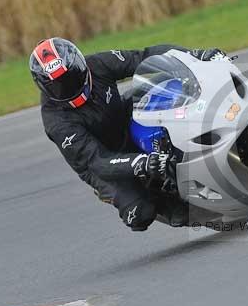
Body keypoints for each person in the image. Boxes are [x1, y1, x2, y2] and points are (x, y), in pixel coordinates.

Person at [30, 37, 226, 231]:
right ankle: (164, 201)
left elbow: (144, 57)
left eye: (71, 75)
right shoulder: (57, 122)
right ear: (44, 86)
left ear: (80, 64)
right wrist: (141, 163)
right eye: (58, 85)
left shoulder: (97, 64)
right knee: (140, 213)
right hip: (102, 163)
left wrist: (195, 56)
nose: (69, 86)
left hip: (121, 118)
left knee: (163, 86)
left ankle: (210, 124)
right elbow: (98, 161)